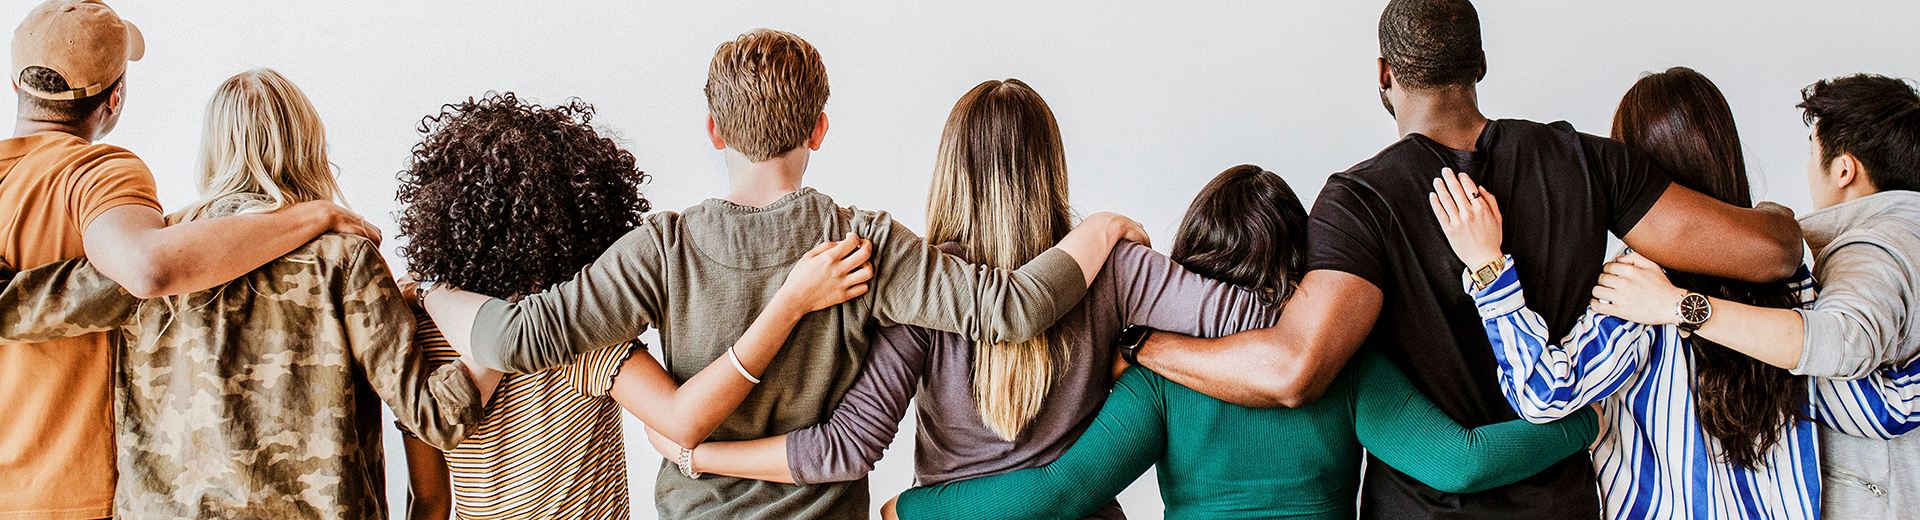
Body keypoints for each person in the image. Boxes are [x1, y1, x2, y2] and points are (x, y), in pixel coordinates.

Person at [419, 30, 1148, 519]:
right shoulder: (863, 243)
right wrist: (1104, 227)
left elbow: (513, 338)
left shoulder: (661, 249)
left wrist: (432, 291)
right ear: (819, 129)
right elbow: (1012, 309)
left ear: (714, 130)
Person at [1121, 1, 1803, 517]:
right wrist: (1775, 216)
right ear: (1478, 65)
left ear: (1385, 75)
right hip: (1564, 505)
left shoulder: (1359, 202)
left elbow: (1296, 370)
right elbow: (1772, 254)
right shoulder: (1587, 163)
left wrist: (1148, 347)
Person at [636, 80, 1278, 520]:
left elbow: (846, 448)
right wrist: (1140, 347)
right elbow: (1256, 318)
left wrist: (700, 455)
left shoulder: (927, 289)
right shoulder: (1118, 269)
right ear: (1051, 165)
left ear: (950, 169)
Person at [873, 164, 1599, 520]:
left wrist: (912, 509)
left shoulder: (1157, 375)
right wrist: (1588, 420)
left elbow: (1059, 492)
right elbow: (1459, 464)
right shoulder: (1341, 366)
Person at [1423, 67, 1915, 519]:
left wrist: (1488, 268)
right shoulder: (1789, 280)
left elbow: (1541, 394)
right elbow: (1874, 408)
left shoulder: (1635, 291)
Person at [0, 69, 484, 519]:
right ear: (308, 144)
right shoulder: (343, 257)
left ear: (213, 148)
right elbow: (434, 418)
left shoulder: (157, 254)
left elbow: (13, 311)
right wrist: (509, 330)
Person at [394, 93, 873, 520]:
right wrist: (789, 303)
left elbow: (430, 502)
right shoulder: (586, 342)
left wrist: (426, 291)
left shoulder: (419, 334)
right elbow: (685, 420)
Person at [0, 3, 376, 518]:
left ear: (16, 84)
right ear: (115, 98)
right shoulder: (99, 172)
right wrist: (310, 218)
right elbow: (147, 269)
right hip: (70, 493)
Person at [1589, 73, 1920, 520]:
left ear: (1843, 169)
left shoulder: (1874, 249)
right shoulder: (1789, 271)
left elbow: (1844, 356)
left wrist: (1677, 306)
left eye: (1810, 147)